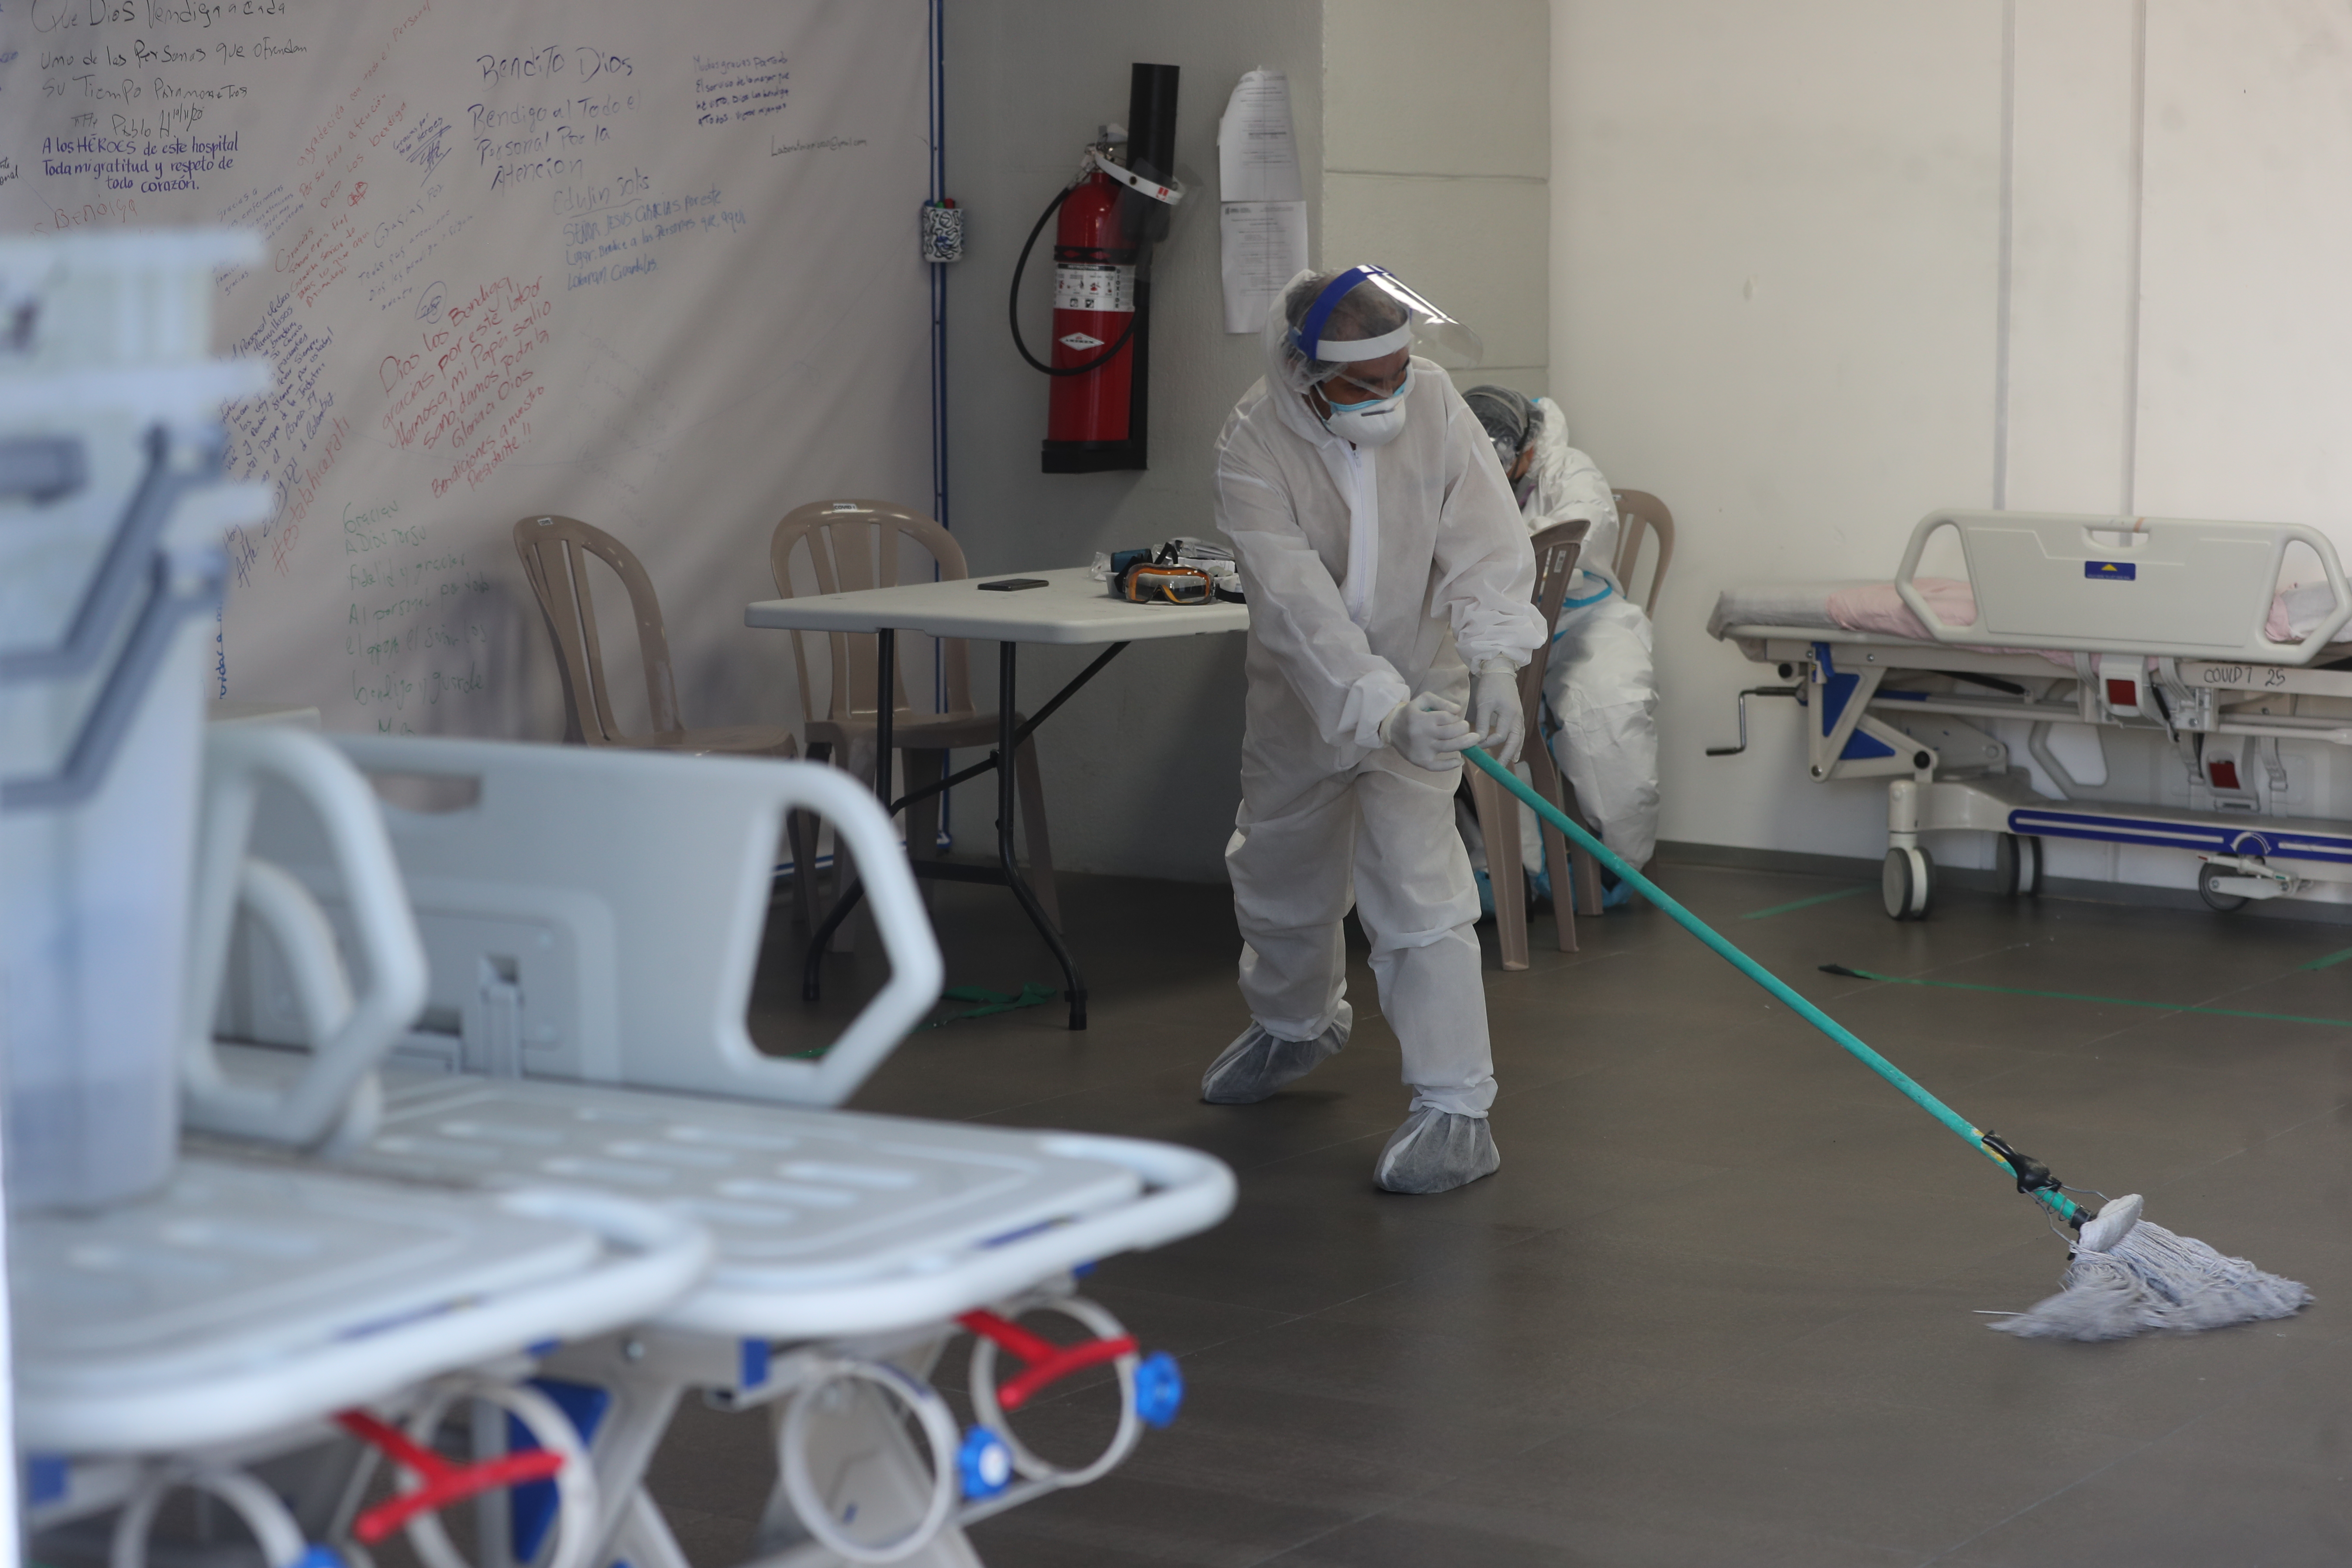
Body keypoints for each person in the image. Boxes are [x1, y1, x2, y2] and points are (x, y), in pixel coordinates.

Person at [1200, 266, 1544, 1195]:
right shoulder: (1252, 442)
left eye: (1399, 367)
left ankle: (1458, 1108)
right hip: (1302, 700)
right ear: (1302, 373)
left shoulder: (1433, 401)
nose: (1391, 391)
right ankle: (1295, 1023)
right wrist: (1375, 705)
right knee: (1279, 876)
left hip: (1426, 688)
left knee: (1421, 891)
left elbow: (1482, 536)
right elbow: (1295, 606)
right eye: (1366, 380)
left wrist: (1497, 662)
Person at [1462, 386, 1659, 903]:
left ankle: (1620, 866)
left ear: (1528, 447)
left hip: (1582, 617)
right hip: (1494, 633)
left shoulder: (1570, 469)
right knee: (1487, 728)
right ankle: (1509, 873)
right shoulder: (1452, 473)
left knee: (1612, 709)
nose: (1497, 476)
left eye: (1505, 464)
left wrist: (1509, 551)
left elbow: (1586, 527)